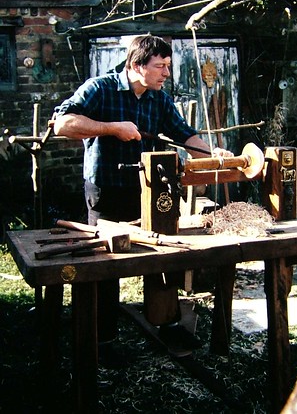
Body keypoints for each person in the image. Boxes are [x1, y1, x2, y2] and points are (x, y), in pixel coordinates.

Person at [54, 34, 232, 359]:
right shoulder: (100, 88)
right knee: (106, 261)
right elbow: (63, 124)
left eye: (168, 66)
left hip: (148, 188)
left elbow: (183, 133)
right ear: (137, 66)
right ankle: (103, 339)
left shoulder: (158, 99)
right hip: (106, 189)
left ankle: (166, 322)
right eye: (160, 66)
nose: (167, 73)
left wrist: (212, 152)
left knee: (161, 254)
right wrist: (112, 128)